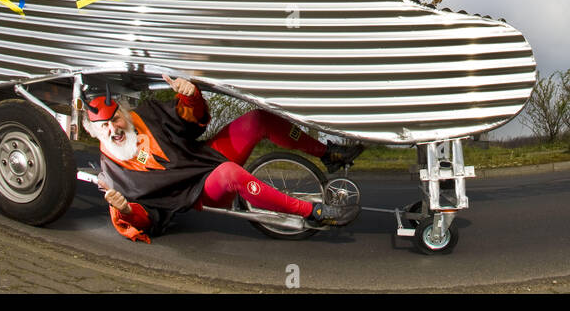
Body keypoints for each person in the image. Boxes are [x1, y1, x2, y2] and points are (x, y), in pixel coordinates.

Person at [84, 73, 362, 242]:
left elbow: (190, 123)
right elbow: (144, 221)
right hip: (198, 190)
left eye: (115, 118)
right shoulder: (112, 177)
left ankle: (329, 153)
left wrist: (191, 97)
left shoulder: (146, 113)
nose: (113, 129)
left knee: (257, 119)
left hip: (204, 155)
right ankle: (312, 213)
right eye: (103, 126)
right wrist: (126, 210)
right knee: (230, 173)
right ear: (94, 132)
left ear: (123, 112)